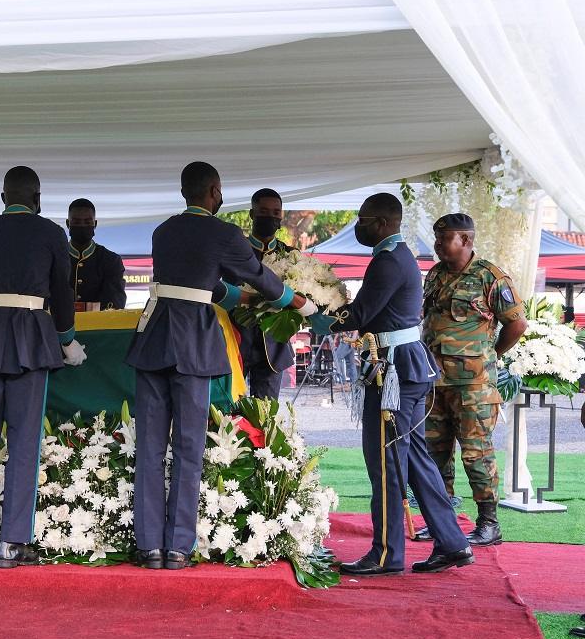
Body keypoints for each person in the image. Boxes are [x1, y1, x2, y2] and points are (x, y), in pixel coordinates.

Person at [125, 162, 315, 570]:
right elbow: (257, 275)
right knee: (189, 445)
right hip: (192, 340)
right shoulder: (224, 233)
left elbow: (202, 282)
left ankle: (148, 546)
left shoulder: (164, 231)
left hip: (155, 333)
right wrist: (297, 302)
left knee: (151, 447)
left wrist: (240, 300)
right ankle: (177, 547)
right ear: (214, 191)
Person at [309, 193, 473, 575]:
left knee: (384, 462)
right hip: (405, 367)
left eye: (362, 220)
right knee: (416, 459)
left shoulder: (387, 260)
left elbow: (361, 313)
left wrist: (311, 312)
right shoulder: (399, 255)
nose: (358, 227)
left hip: (392, 372)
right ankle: (452, 542)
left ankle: (386, 553)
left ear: (381, 222)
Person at [0, 166, 86, 569]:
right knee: (24, 442)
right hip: (32, 337)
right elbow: (62, 292)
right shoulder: (50, 233)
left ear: (3, 196)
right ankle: (14, 543)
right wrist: (66, 341)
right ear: (37, 197)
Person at [414, 213, 527, 547]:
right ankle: (440, 522)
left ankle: (488, 523)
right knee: (435, 455)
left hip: (474, 387)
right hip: (436, 383)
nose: (437, 245)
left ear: (465, 240)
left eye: (443, 238)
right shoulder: (434, 274)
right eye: (436, 238)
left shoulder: (490, 276)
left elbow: (516, 325)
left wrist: (488, 356)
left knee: (475, 454)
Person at [232, 188, 298, 399]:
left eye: (275, 213)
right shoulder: (235, 250)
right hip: (237, 341)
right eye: (263, 211)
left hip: (274, 348)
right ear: (252, 214)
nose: (270, 217)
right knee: (228, 413)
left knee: (267, 415)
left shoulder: (291, 255)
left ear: (281, 216)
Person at [65, 198, 126, 310]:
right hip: (59, 326)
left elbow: (115, 303)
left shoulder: (111, 260)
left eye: (88, 222)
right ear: (68, 224)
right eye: (76, 222)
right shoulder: (56, 257)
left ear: (95, 224)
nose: (82, 226)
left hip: (98, 325)